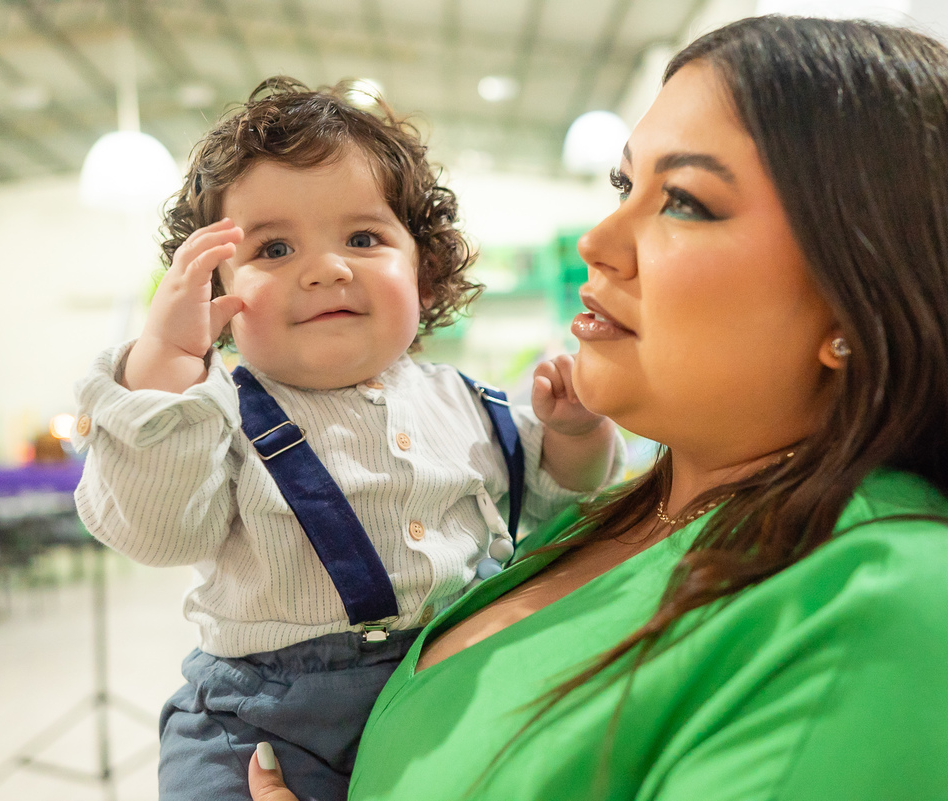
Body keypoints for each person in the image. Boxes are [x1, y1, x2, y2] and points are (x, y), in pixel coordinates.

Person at [248, 16, 948, 801]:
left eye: (686, 202)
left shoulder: (912, 608)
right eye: (623, 185)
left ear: (857, 302)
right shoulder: (601, 522)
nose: (598, 241)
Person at [71, 78, 623, 801]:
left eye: (363, 238)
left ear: (423, 273)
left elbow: (559, 497)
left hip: (446, 685)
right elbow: (156, 532)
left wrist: (576, 428)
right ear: (215, 297)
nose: (326, 267)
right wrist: (166, 372)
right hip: (265, 725)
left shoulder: (463, 400)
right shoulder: (214, 413)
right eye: (272, 247)